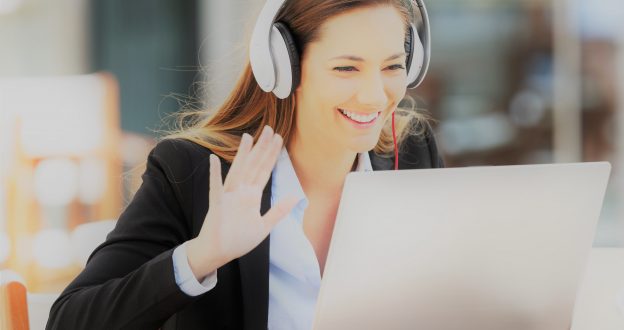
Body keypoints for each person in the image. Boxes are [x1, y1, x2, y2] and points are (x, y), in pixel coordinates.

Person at [47, 0, 443, 329]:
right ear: (283, 65)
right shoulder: (193, 173)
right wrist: (202, 255)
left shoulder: (411, 157)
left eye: (392, 66)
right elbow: (70, 320)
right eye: (346, 68)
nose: (375, 96)